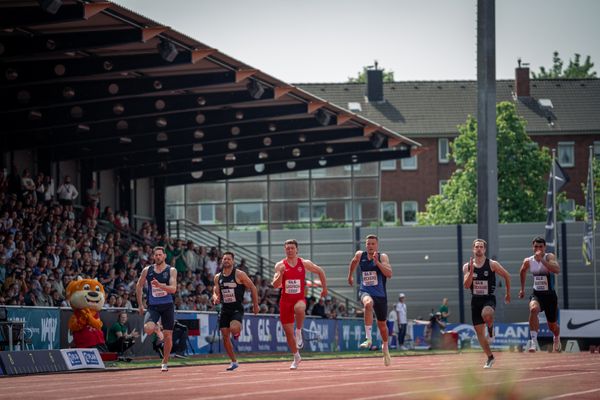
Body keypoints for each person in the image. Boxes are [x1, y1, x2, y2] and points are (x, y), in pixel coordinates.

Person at [272, 239, 328, 370]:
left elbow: (320, 271)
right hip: (285, 301)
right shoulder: (280, 265)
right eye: (287, 248)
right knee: (288, 333)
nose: (290, 250)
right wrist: (280, 273)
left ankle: (299, 331)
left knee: (300, 308)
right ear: (285, 250)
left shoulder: (304, 263)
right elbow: (275, 285)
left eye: (292, 248)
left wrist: (324, 288)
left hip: (299, 298)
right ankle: (296, 356)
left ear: (297, 250)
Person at [463, 238, 511, 369]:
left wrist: (508, 293)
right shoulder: (467, 266)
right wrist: (471, 272)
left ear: (484, 249)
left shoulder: (492, 264)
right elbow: (466, 286)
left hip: (488, 298)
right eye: (476, 247)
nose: (479, 249)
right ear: (473, 249)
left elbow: (507, 275)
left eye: (481, 247)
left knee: (487, 313)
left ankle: (491, 329)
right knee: (479, 333)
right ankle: (490, 357)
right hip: (475, 300)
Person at [348, 234, 393, 366]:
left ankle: (385, 347)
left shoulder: (382, 257)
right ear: (365, 245)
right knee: (368, 304)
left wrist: (377, 263)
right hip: (365, 291)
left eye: (373, 244)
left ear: (377, 245)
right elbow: (353, 262)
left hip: (380, 295)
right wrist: (350, 275)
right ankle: (368, 338)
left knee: (382, 326)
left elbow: (389, 274)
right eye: (368, 244)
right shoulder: (360, 255)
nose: (370, 246)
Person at [212, 251, 259, 371]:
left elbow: (253, 287)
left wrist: (255, 305)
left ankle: (237, 331)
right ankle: (234, 361)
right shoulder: (218, 277)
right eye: (224, 259)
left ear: (233, 261)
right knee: (225, 336)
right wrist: (215, 297)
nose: (226, 261)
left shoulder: (239, 274)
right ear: (222, 261)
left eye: (228, 259)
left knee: (233, 328)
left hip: (237, 308)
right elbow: (215, 291)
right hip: (225, 309)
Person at [136, 246, 177, 372]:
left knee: (168, 336)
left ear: (164, 256)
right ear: (153, 256)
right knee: (148, 329)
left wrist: (160, 286)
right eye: (156, 255)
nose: (158, 257)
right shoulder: (147, 270)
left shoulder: (171, 270)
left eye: (160, 254)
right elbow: (139, 286)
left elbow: (173, 289)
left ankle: (164, 361)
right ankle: (156, 327)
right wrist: (140, 304)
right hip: (153, 306)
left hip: (167, 306)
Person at [518, 236, 561, 353]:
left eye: (540, 247)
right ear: (533, 247)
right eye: (536, 246)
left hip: (550, 296)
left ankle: (556, 337)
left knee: (552, 326)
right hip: (537, 294)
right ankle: (533, 341)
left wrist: (541, 260)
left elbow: (557, 270)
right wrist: (522, 289)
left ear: (544, 247)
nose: (538, 249)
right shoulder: (528, 260)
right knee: (533, 309)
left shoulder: (549, 257)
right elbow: (522, 271)